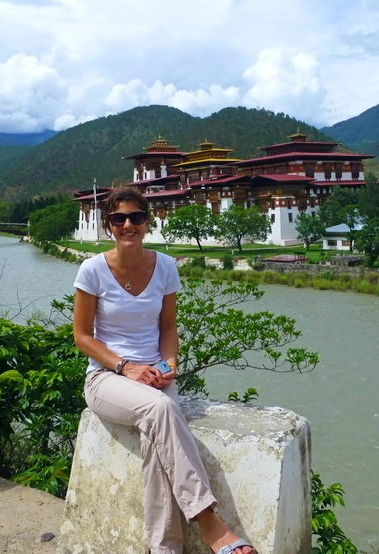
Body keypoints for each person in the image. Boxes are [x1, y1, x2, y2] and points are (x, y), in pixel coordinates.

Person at [73, 187, 256, 554]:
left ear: (147, 222)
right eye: (119, 218)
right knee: (161, 410)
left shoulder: (166, 266)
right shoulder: (92, 269)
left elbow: (168, 329)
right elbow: (81, 336)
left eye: (136, 217)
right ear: (109, 225)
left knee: (156, 441)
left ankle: (164, 549)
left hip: (155, 375)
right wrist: (126, 368)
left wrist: (168, 365)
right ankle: (211, 524)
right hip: (107, 378)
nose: (128, 225)